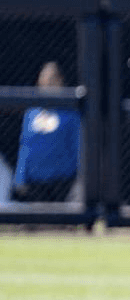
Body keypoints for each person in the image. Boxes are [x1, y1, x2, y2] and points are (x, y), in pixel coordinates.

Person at [13, 61, 81, 202]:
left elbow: (78, 147)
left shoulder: (71, 114)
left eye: (52, 78)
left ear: (61, 81)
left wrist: (80, 179)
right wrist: (20, 177)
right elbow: (25, 146)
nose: (48, 82)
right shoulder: (31, 113)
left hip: (62, 182)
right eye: (44, 78)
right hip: (35, 183)